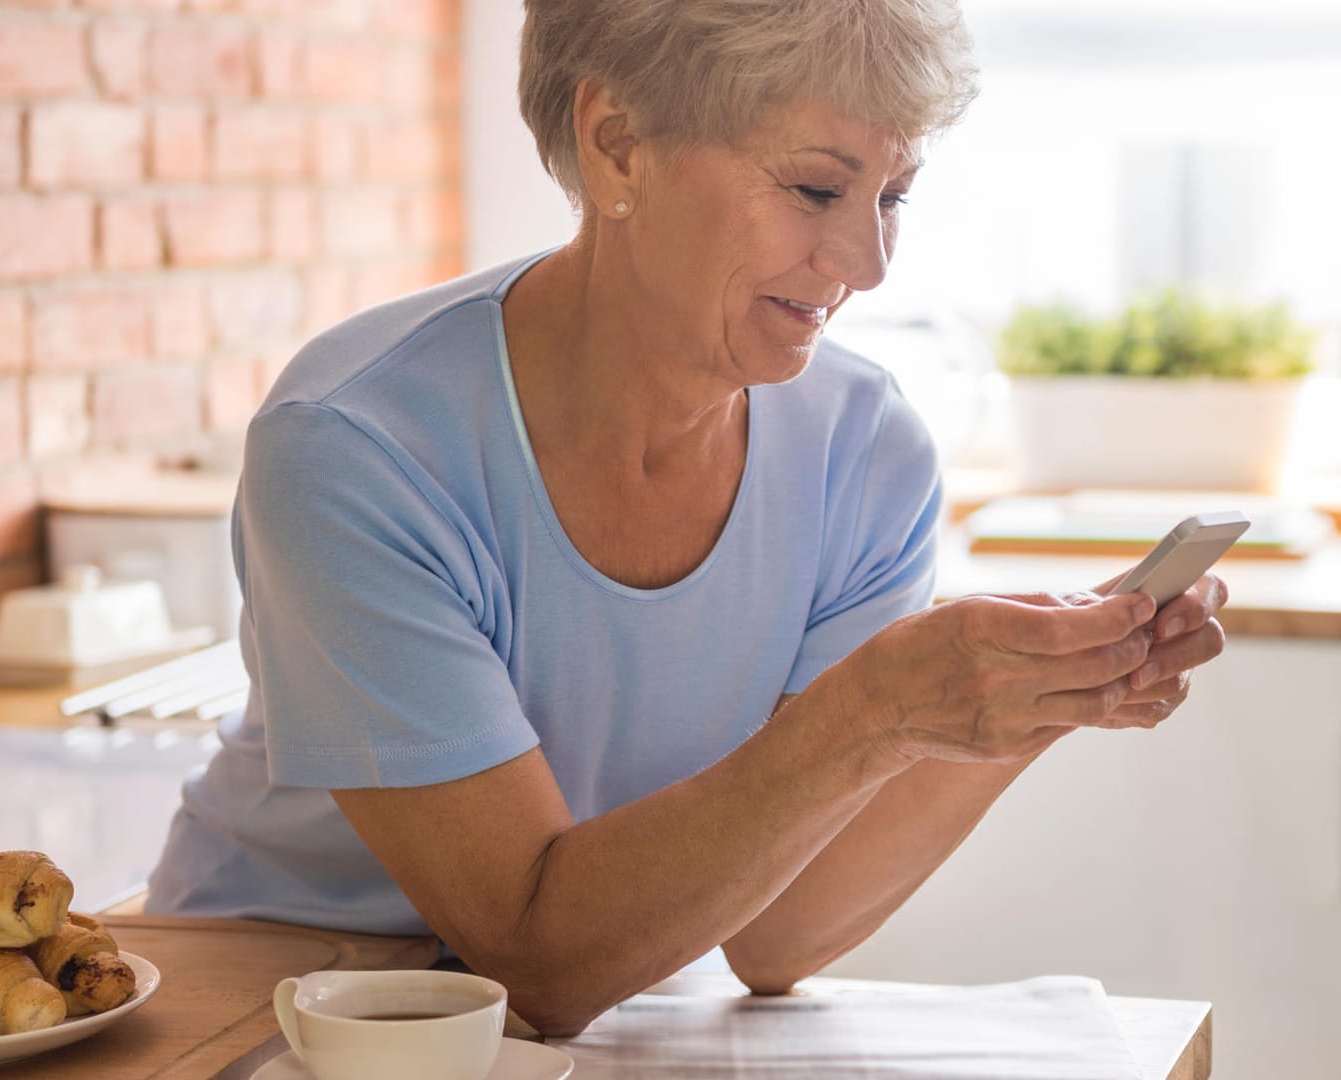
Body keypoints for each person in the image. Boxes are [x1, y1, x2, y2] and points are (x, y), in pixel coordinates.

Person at [147, 0, 1229, 1039]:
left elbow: (779, 932)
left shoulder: (864, 452)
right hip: (273, 1010)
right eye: (815, 189)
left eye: (893, 197)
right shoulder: (356, 444)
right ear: (618, 144)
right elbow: (537, 956)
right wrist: (877, 708)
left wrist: (1034, 695)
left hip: (583, 1017)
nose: (867, 263)